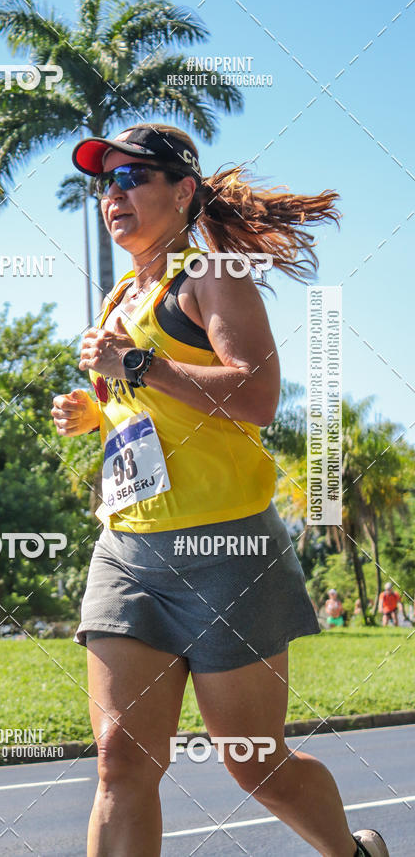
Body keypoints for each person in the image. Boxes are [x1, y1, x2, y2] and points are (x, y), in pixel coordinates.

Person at [52, 123, 388, 857]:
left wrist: (138, 363)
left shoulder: (214, 277)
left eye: (131, 177)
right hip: (127, 552)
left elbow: (256, 395)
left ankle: (353, 852)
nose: (114, 195)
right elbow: (148, 414)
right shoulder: (117, 297)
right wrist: (96, 410)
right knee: (120, 762)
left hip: (226, 550)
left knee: (253, 762)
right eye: (104, 182)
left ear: (182, 191)